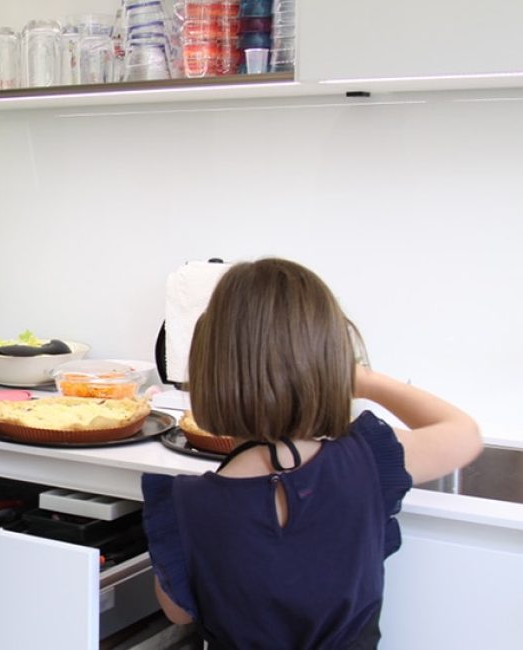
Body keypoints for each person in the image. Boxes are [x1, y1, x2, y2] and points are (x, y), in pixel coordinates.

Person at [140, 258, 482, 649]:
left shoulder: (185, 505)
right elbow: (464, 434)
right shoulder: (368, 459)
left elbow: (178, 612)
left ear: (206, 373)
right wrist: (367, 382)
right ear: (332, 364)